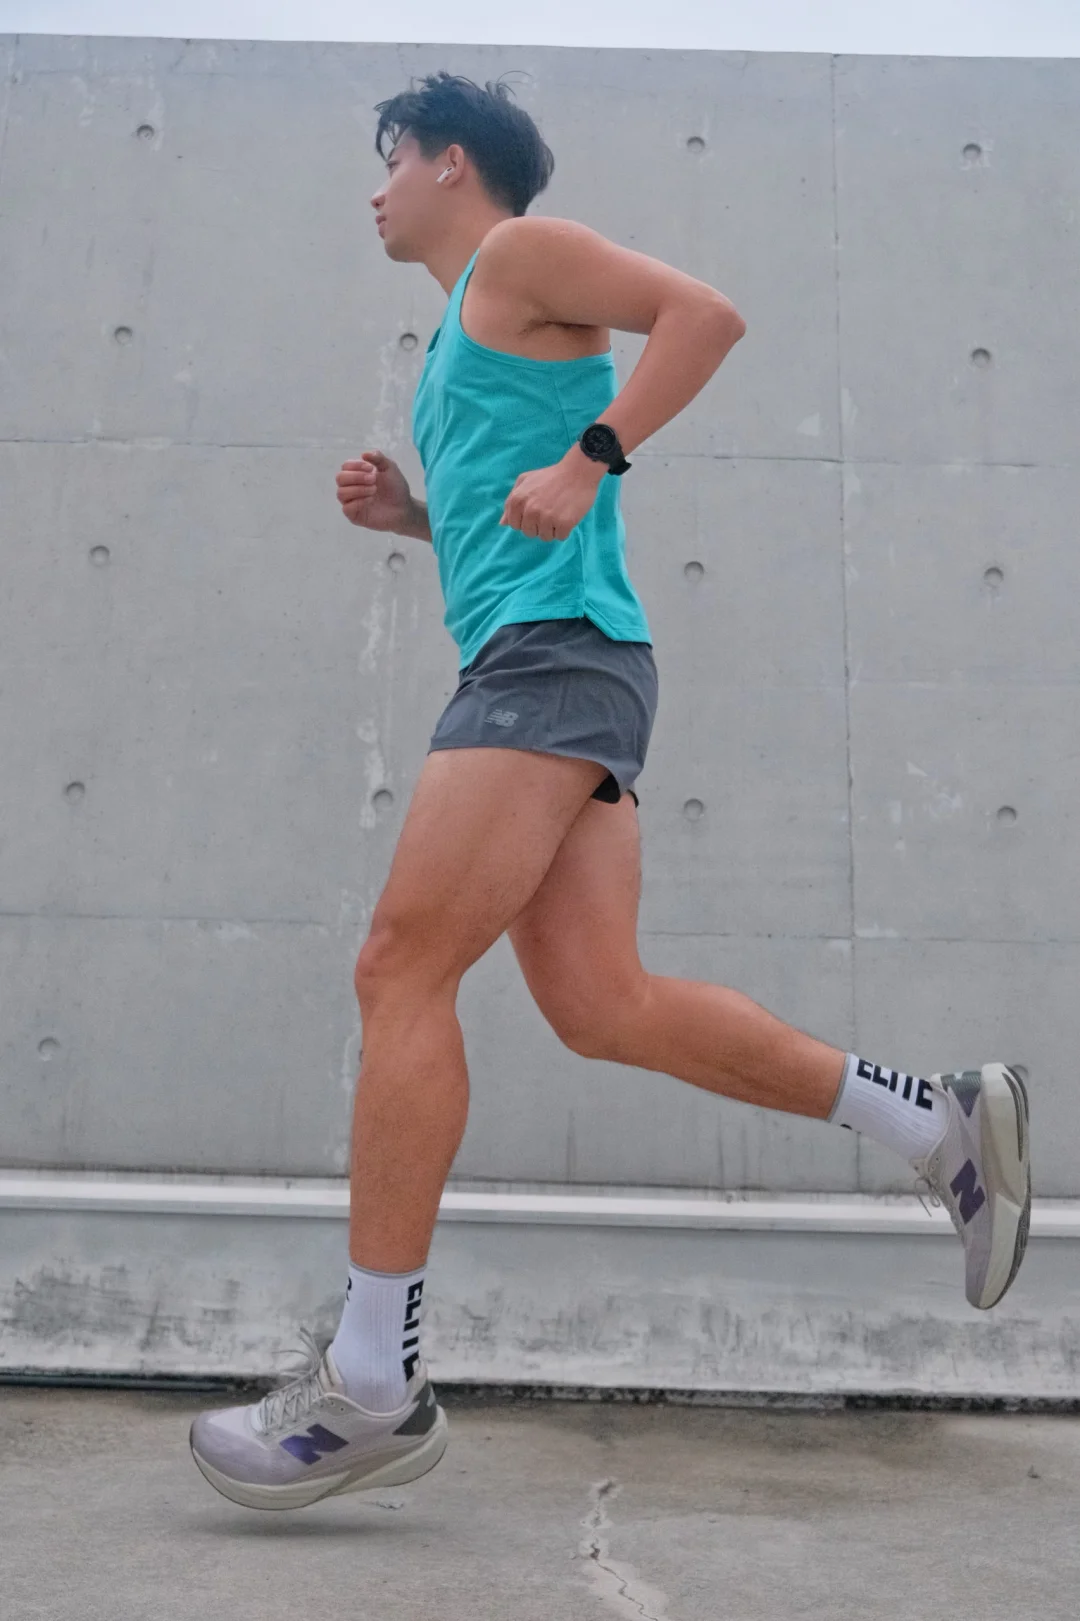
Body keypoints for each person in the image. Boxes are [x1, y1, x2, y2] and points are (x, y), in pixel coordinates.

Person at [190, 71, 1031, 1511]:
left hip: (553, 663)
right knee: (602, 1005)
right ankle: (931, 1119)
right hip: (553, 659)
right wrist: (418, 518)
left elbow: (706, 316)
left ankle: (372, 1382)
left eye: (392, 158)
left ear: (452, 163)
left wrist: (593, 457)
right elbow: (517, 520)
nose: (374, 189)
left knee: (399, 968)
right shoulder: (464, 334)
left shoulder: (520, 254)